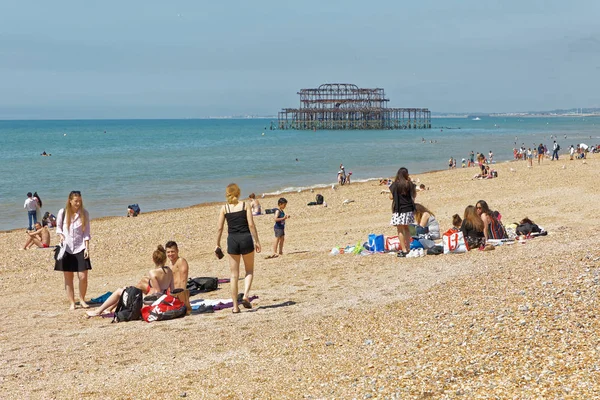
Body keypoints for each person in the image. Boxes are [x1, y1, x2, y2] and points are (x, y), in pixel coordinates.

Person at [86, 245, 174, 317]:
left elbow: (156, 292)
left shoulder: (153, 272)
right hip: (161, 300)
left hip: (149, 302)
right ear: (165, 259)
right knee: (126, 289)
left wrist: (144, 299)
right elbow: (172, 289)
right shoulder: (169, 271)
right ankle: (107, 309)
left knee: (120, 291)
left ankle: (98, 311)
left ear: (153, 260)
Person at [215, 183, 261, 314]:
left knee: (234, 275)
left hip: (233, 240)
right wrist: (257, 241)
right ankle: (246, 295)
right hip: (246, 238)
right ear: (238, 193)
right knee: (249, 270)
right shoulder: (245, 205)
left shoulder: (225, 208)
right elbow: (251, 225)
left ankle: (235, 306)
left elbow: (220, 228)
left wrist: (217, 244)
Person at [55, 191, 92, 310]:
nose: (78, 203)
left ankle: (82, 299)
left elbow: (86, 233)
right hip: (67, 248)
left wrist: (87, 247)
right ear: (70, 201)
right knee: (68, 277)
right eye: (76, 201)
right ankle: (72, 302)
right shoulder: (63, 212)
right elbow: (58, 228)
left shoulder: (84, 213)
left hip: (80, 247)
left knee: (83, 276)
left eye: (80, 201)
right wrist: (61, 236)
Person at [389, 167, 416, 257]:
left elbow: (391, 197)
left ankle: (404, 249)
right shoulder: (410, 184)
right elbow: (414, 195)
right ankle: (408, 248)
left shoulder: (395, 185)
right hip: (408, 209)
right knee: (406, 228)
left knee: (400, 229)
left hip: (399, 210)